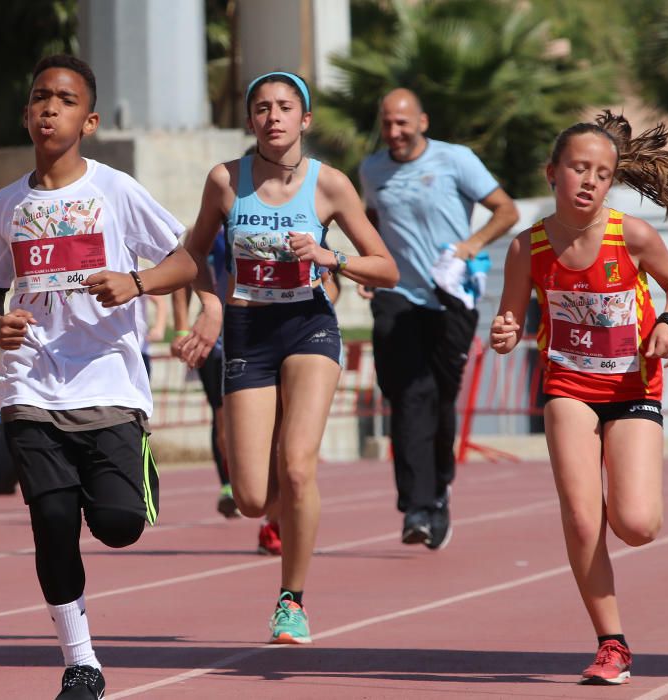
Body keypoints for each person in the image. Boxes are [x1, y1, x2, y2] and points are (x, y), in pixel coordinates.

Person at [0, 54, 195, 699]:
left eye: (64, 100)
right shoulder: (6, 206)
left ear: (88, 120)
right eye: (40, 97)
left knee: (119, 524)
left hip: (110, 387)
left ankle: (134, 471)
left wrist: (137, 281)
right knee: (53, 523)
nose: (49, 109)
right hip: (31, 387)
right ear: (26, 113)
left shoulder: (115, 191)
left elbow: (186, 263)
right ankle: (81, 663)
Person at [177, 70, 397, 644]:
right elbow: (192, 253)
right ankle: (285, 494)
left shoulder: (331, 186)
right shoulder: (226, 181)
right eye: (261, 108)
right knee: (252, 498)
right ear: (250, 120)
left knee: (299, 467)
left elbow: (386, 267)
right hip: (248, 329)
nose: (272, 117)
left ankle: (291, 600)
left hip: (309, 327)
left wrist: (331, 257)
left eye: (284, 107)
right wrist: (211, 309)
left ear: (305, 120)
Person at [490, 111, 668, 685]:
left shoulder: (629, 234)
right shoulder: (526, 247)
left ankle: (625, 489)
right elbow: (509, 314)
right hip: (567, 386)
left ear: (611, 183)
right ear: (552, 172)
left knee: (635, 524)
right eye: (578, 168)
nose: (589, 180)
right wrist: (505, 331)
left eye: (602, 173)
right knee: (583, 520)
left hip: (632, 387)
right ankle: (612, 643)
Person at [358, 88, 519, 550]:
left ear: (422, 122)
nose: (394, 132)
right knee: (409, 396)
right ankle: (416, 507)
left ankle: (439, 490)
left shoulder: (456, 160)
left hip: (452, 295)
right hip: (398, 297)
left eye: (403, 123)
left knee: (441, 397)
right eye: (387, 123)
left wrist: (471, 245)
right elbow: (369, 219)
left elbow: (505, 210)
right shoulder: (372, 169)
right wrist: (373, 264)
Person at [170, 231, 239, 518]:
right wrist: (182, 328)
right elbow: (182, 273)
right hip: (218, 341)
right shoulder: (210, 231)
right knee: (222, 415)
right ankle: (228, 484)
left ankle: (262, 479)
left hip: (263, 336)